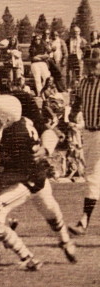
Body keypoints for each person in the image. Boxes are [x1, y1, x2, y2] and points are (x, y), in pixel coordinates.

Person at [0, 94, 76, 274]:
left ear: (6, 118)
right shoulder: (14, 125)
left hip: (30, 179)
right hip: (26, 175)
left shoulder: (16, 135)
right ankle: (29, 257)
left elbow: (20, 171)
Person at [68, 48, 100, 235]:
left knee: (93, 176)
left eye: (94, 64)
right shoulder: (84, 84)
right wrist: (72, 115)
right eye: (88, 64)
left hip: (98, 133)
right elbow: (77, 103)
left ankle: (84, 220)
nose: (90, 67)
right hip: (89, 132)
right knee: (92, 174)